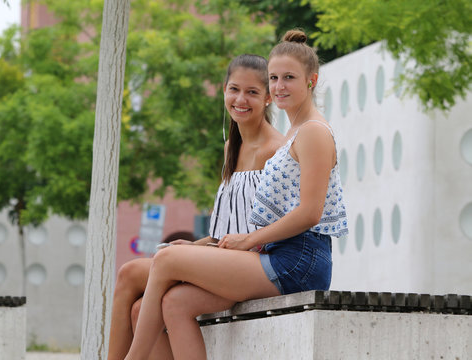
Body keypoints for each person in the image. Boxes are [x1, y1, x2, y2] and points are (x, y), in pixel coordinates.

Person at [124, 29, 348, 360]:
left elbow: (310, 213)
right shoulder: (295, 132)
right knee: (173, 302)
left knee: (166, 259)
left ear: (311, 80)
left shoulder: (313, 132)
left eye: (289, 77)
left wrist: (247, 240)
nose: (279, 86)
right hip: (276, 255)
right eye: (274, 77)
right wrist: (220, 244)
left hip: (298, 261)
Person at [107, 53, 285, 360]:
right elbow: (231, 225)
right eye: (234, 89)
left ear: (268, 98)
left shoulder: (276, 150)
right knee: (140, 308)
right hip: (222, 258)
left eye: (252, 92)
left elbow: (270, 232)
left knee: (131, 273)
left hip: (254, 265)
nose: (240, 99)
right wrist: (198, 245)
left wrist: (197, 254)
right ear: (224, 90)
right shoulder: (232, 147)